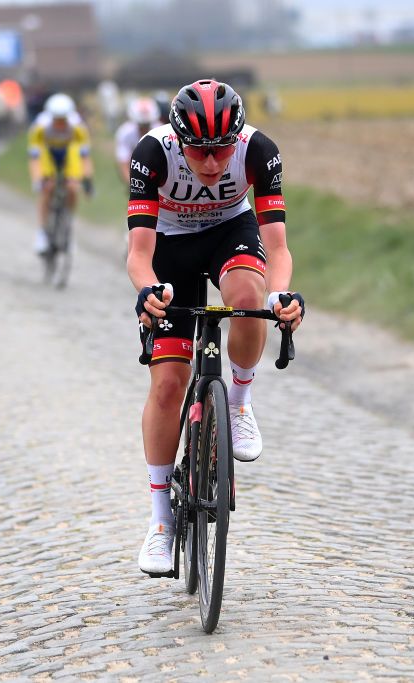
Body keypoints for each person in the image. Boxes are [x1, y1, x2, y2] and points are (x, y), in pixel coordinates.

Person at [127, 79, 305, 575]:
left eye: (220, 150)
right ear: (180, 140)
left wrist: (281, 295)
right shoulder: (152, 153)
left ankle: (239, 403)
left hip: (231, 232)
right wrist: (147, 291)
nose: (210, 163)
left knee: (248, 299)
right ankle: (161, 522)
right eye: (200, 151)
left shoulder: (258, 151)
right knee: (167, 385)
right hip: (170, 247)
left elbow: (280, 248)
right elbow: (139, 256)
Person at [27, 93, 94, 256]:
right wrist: (38, 180)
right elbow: (35, 159)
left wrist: (87, 179)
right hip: (47, 154)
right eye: (56, 120)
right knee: (47, 189)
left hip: (68, 155)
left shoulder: (78, 127)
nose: (60, 124)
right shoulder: (39, 128)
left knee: (72, 188)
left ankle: (67, 229)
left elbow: (84, 157)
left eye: (63, 120)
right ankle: (42, 234)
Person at [114, 96, 161, 186]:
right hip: (135, 169)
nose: (144, 128)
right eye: (141, 125)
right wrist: (133, 184)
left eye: (147, 125)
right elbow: (124, 162)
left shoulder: (161, 131)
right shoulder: (125, 133)